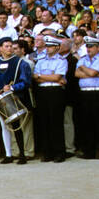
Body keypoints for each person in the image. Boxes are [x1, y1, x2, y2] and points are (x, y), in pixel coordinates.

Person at [0, 37, 33, 164]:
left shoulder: (21, 63)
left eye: (11, 46)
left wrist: (12, 87)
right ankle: (8, 154)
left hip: (17, 99)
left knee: (18, 126)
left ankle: (22, 154)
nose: (10, 48)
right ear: (0, 48)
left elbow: (26, 82)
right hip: (0, 99)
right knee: (4, 126)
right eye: (6, 46)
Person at [73, 36, 99, 159]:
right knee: (87, 123)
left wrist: (84, 69)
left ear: (98, 47)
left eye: (91, 46)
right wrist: (90, 72)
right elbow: (76, 74)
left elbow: (92, 73)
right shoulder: (83, 59)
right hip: (85, 93)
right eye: (87, 46)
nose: (88, 48)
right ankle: (89, 151)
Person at [31, 34, 68, 162]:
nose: (48, 48)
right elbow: (35, 77)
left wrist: (42, 76)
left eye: (51, 46)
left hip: (55, 91)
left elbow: (57, 77)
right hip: (43, 91)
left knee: (56, 122)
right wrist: (49, 76)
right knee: (44, 122)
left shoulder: (61, 60)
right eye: (47, 46)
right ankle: (47, 152)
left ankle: (59, 152)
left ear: (57, 47)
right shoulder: (41, 60)